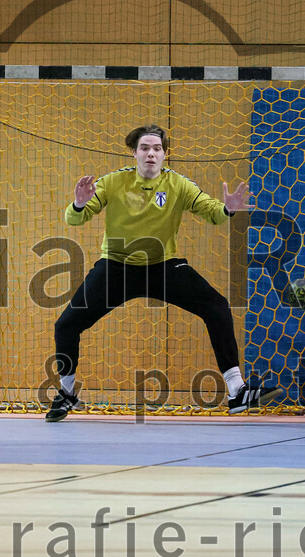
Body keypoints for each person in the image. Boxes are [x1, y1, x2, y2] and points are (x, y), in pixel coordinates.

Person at [46, 124, 270, 421]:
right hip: (117, 266)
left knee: (217, 307)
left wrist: (228, 209)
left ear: (165, 154)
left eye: (157, 148)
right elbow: (74, 219)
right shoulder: (112, 182)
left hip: (164, 266)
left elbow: (212, 213)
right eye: (144, 148)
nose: (151, 153)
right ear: (134, 153)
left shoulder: (178, 184)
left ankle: (236, 391)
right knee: (66, 325)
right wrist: (78, 204)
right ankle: (67, 393)